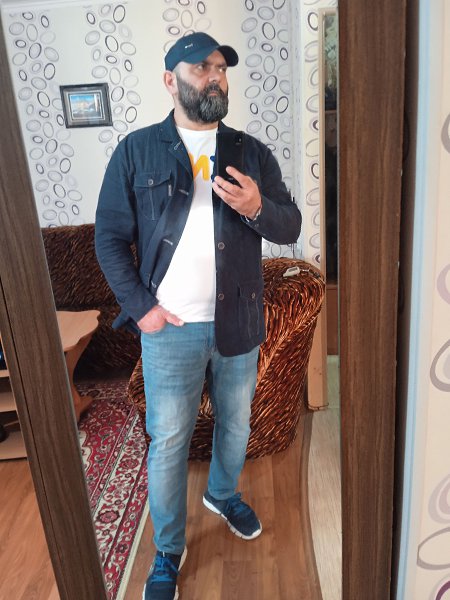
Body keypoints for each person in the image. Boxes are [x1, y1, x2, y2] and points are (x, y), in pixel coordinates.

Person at [95, 31, 302, 600]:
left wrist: (257, 207)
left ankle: (222, 493)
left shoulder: (250, 152)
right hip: (170, 330)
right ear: (171, 80)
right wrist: (142, 310)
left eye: (221, 68)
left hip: (239, 322)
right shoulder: (136, 151)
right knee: (168, 440)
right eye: (201, 68)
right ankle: (167, 550)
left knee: (236, 423)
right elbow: (109, 239)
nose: (215, 77)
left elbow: (289, 224)